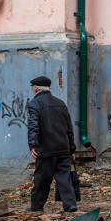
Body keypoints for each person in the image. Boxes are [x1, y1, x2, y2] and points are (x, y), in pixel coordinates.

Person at [26, 76, 78, 213]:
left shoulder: (34, 104)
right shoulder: (61, 103)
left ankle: (36, 207)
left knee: (42, 179)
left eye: (33, 88)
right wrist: (72, 149)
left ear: (35, 88)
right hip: (63, 147)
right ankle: (70, 205)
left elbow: (33, 126)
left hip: (46, 148)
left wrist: (33, 145)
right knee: (64, 178)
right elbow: (69, 128)